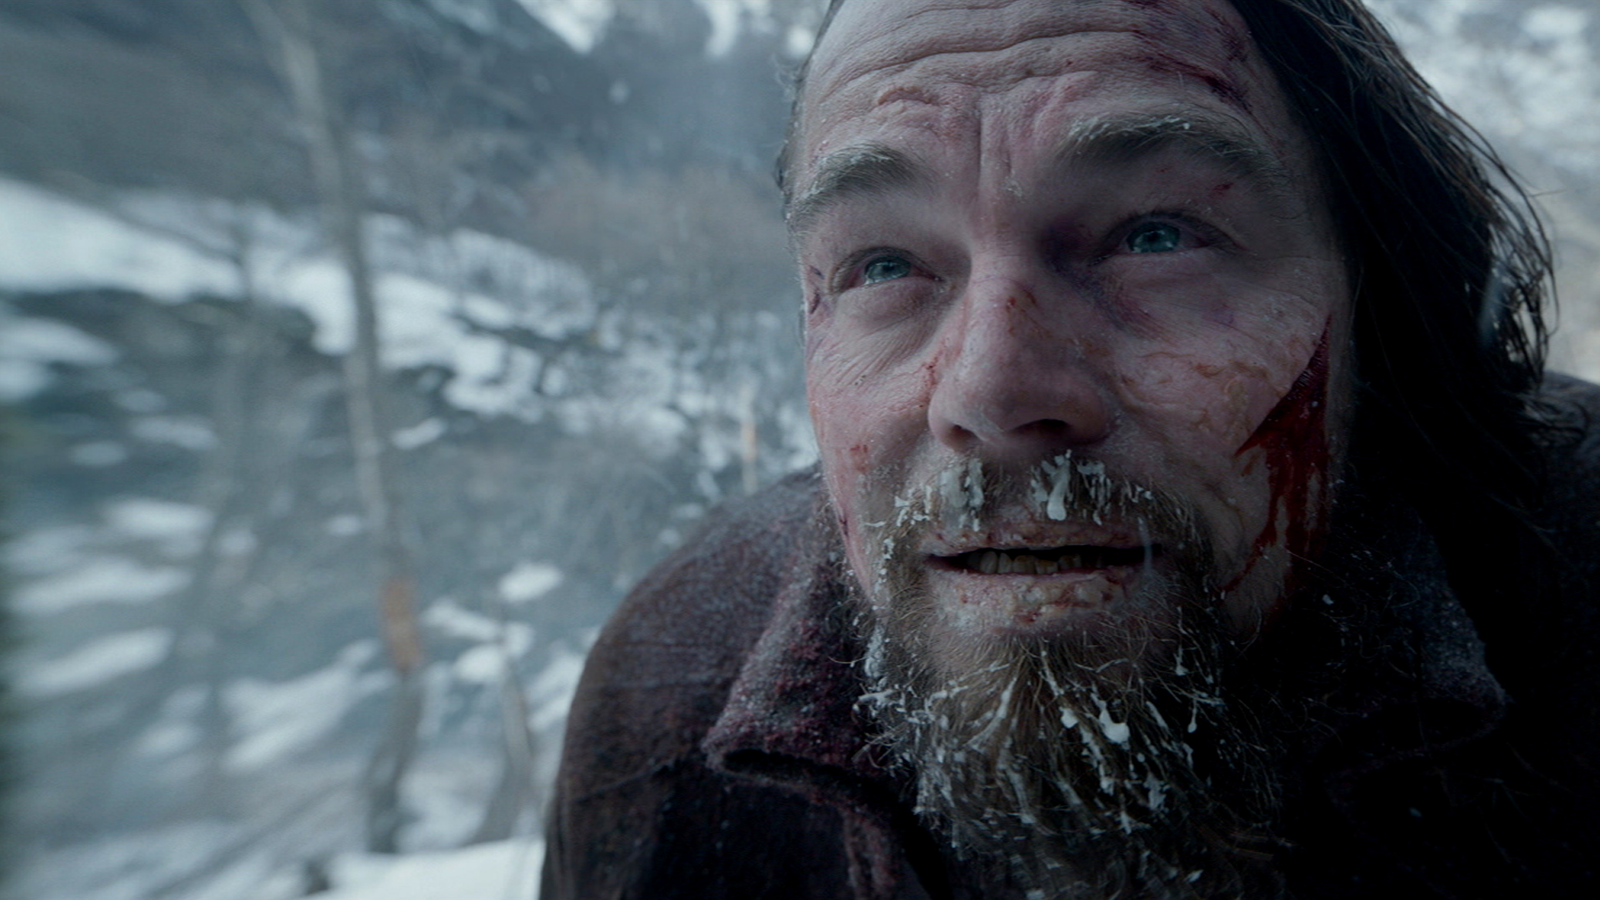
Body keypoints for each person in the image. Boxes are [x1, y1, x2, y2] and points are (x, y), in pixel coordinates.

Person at [541, 0, 1600, 896]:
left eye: (1155, 236)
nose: (990, 393)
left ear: (1380, 307)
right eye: (882, 264)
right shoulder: (669, 704)